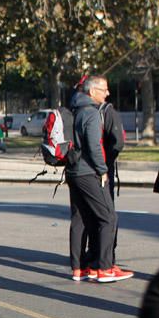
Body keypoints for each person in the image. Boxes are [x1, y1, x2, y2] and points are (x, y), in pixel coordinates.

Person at [67, 76, 132, 283]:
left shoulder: (74, 109)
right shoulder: (92, 113)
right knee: (108, 217)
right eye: (104, 89)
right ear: (92, 91)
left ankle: (80, 268)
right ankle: (104, 268)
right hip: (89, 172)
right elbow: (95, 146)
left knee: (81, 219)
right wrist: (103, 169)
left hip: (73, 171)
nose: (107, 93)